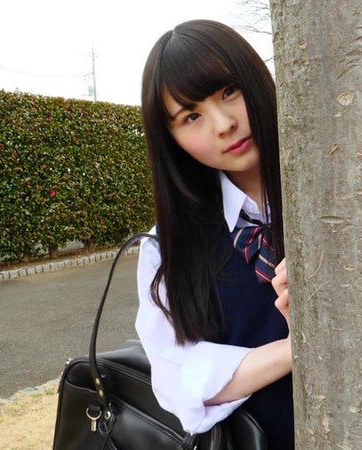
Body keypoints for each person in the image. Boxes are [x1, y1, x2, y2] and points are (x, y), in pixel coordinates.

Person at [134, 19, 293, 450]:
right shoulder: (166, 247)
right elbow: (178, 378)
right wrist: (297, 346)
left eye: (229, 91)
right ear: (171, 139)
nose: (223, 124)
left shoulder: (347, 199)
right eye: (192, 116)